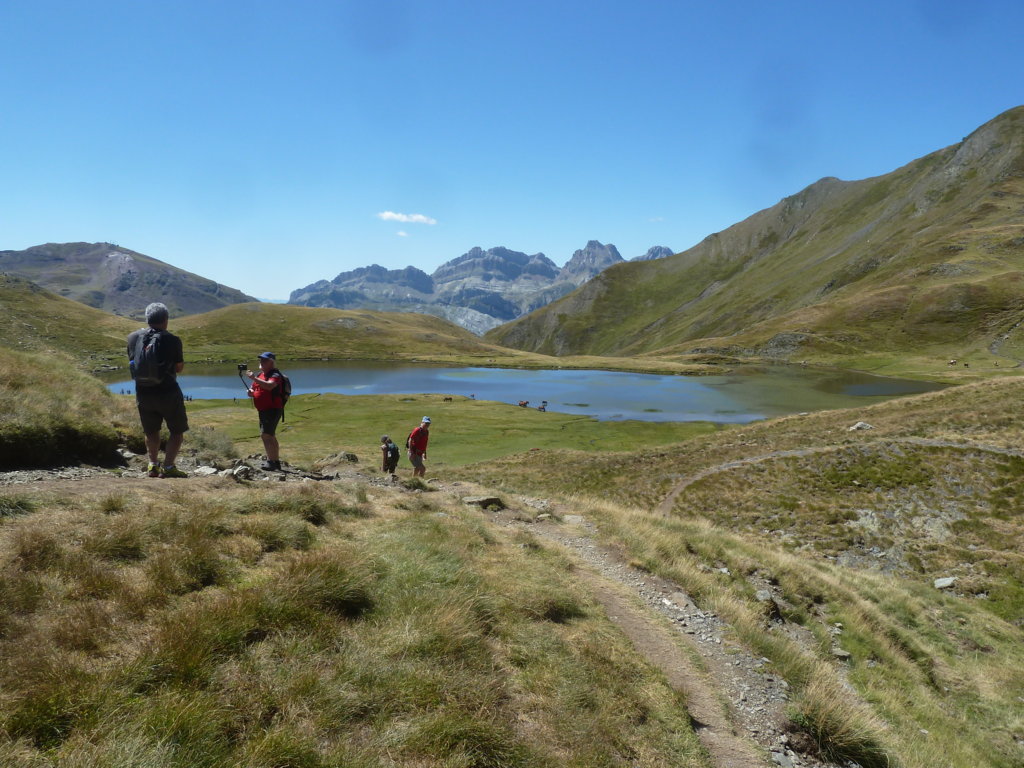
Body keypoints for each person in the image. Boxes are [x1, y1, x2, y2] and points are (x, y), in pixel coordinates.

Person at [127, 302, 188, 478]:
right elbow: (178, 368)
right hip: (168, 392)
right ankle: (168, 467)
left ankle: (152, 465)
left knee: (151, 431)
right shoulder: (172, 339)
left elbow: (134, 363)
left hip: (143, 393)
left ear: (147, 318)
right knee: (177, 431)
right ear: (166, 319)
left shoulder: (132, 338)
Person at [245, 352, 285, 471]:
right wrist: (251, 392)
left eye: (264, 360)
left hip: (272, 409)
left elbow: (269, 386)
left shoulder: (275, 374)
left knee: (266, 435)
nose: (261, 362)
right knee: (270, 435)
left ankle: (272, 462)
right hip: (263, 409)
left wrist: (253, 378)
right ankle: (275, 461)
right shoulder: (261, 374)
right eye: (261, 360)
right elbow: (255, 387)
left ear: (271, 362)